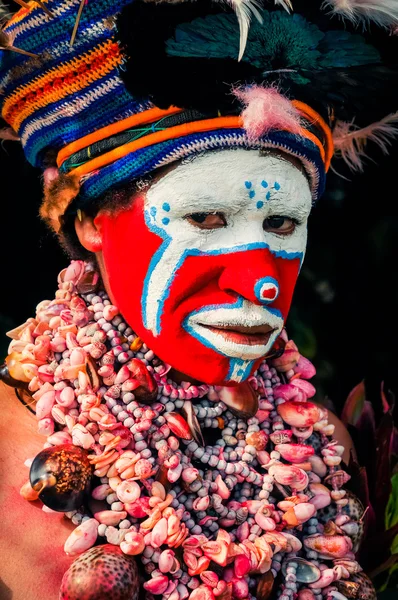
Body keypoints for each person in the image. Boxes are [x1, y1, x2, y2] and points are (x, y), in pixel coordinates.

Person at [0, 1, 396, 599]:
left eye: (284, 225)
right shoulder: (8, 443)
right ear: (90, 222)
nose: (259, 281)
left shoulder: (326, 453)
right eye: (207, 217)